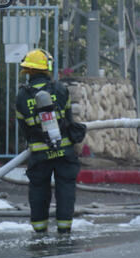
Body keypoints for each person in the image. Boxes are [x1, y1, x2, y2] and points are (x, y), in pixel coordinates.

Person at [14, 49, 86, 234]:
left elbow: (24, 128)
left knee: (38, 190)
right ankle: (64, 229)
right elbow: (69, 120)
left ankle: (40, 230)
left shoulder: (22, 96)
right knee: (66, 189)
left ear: (28, 70)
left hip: (39, 153)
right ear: (47, 68)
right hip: (64, 151)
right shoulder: (60, 90)